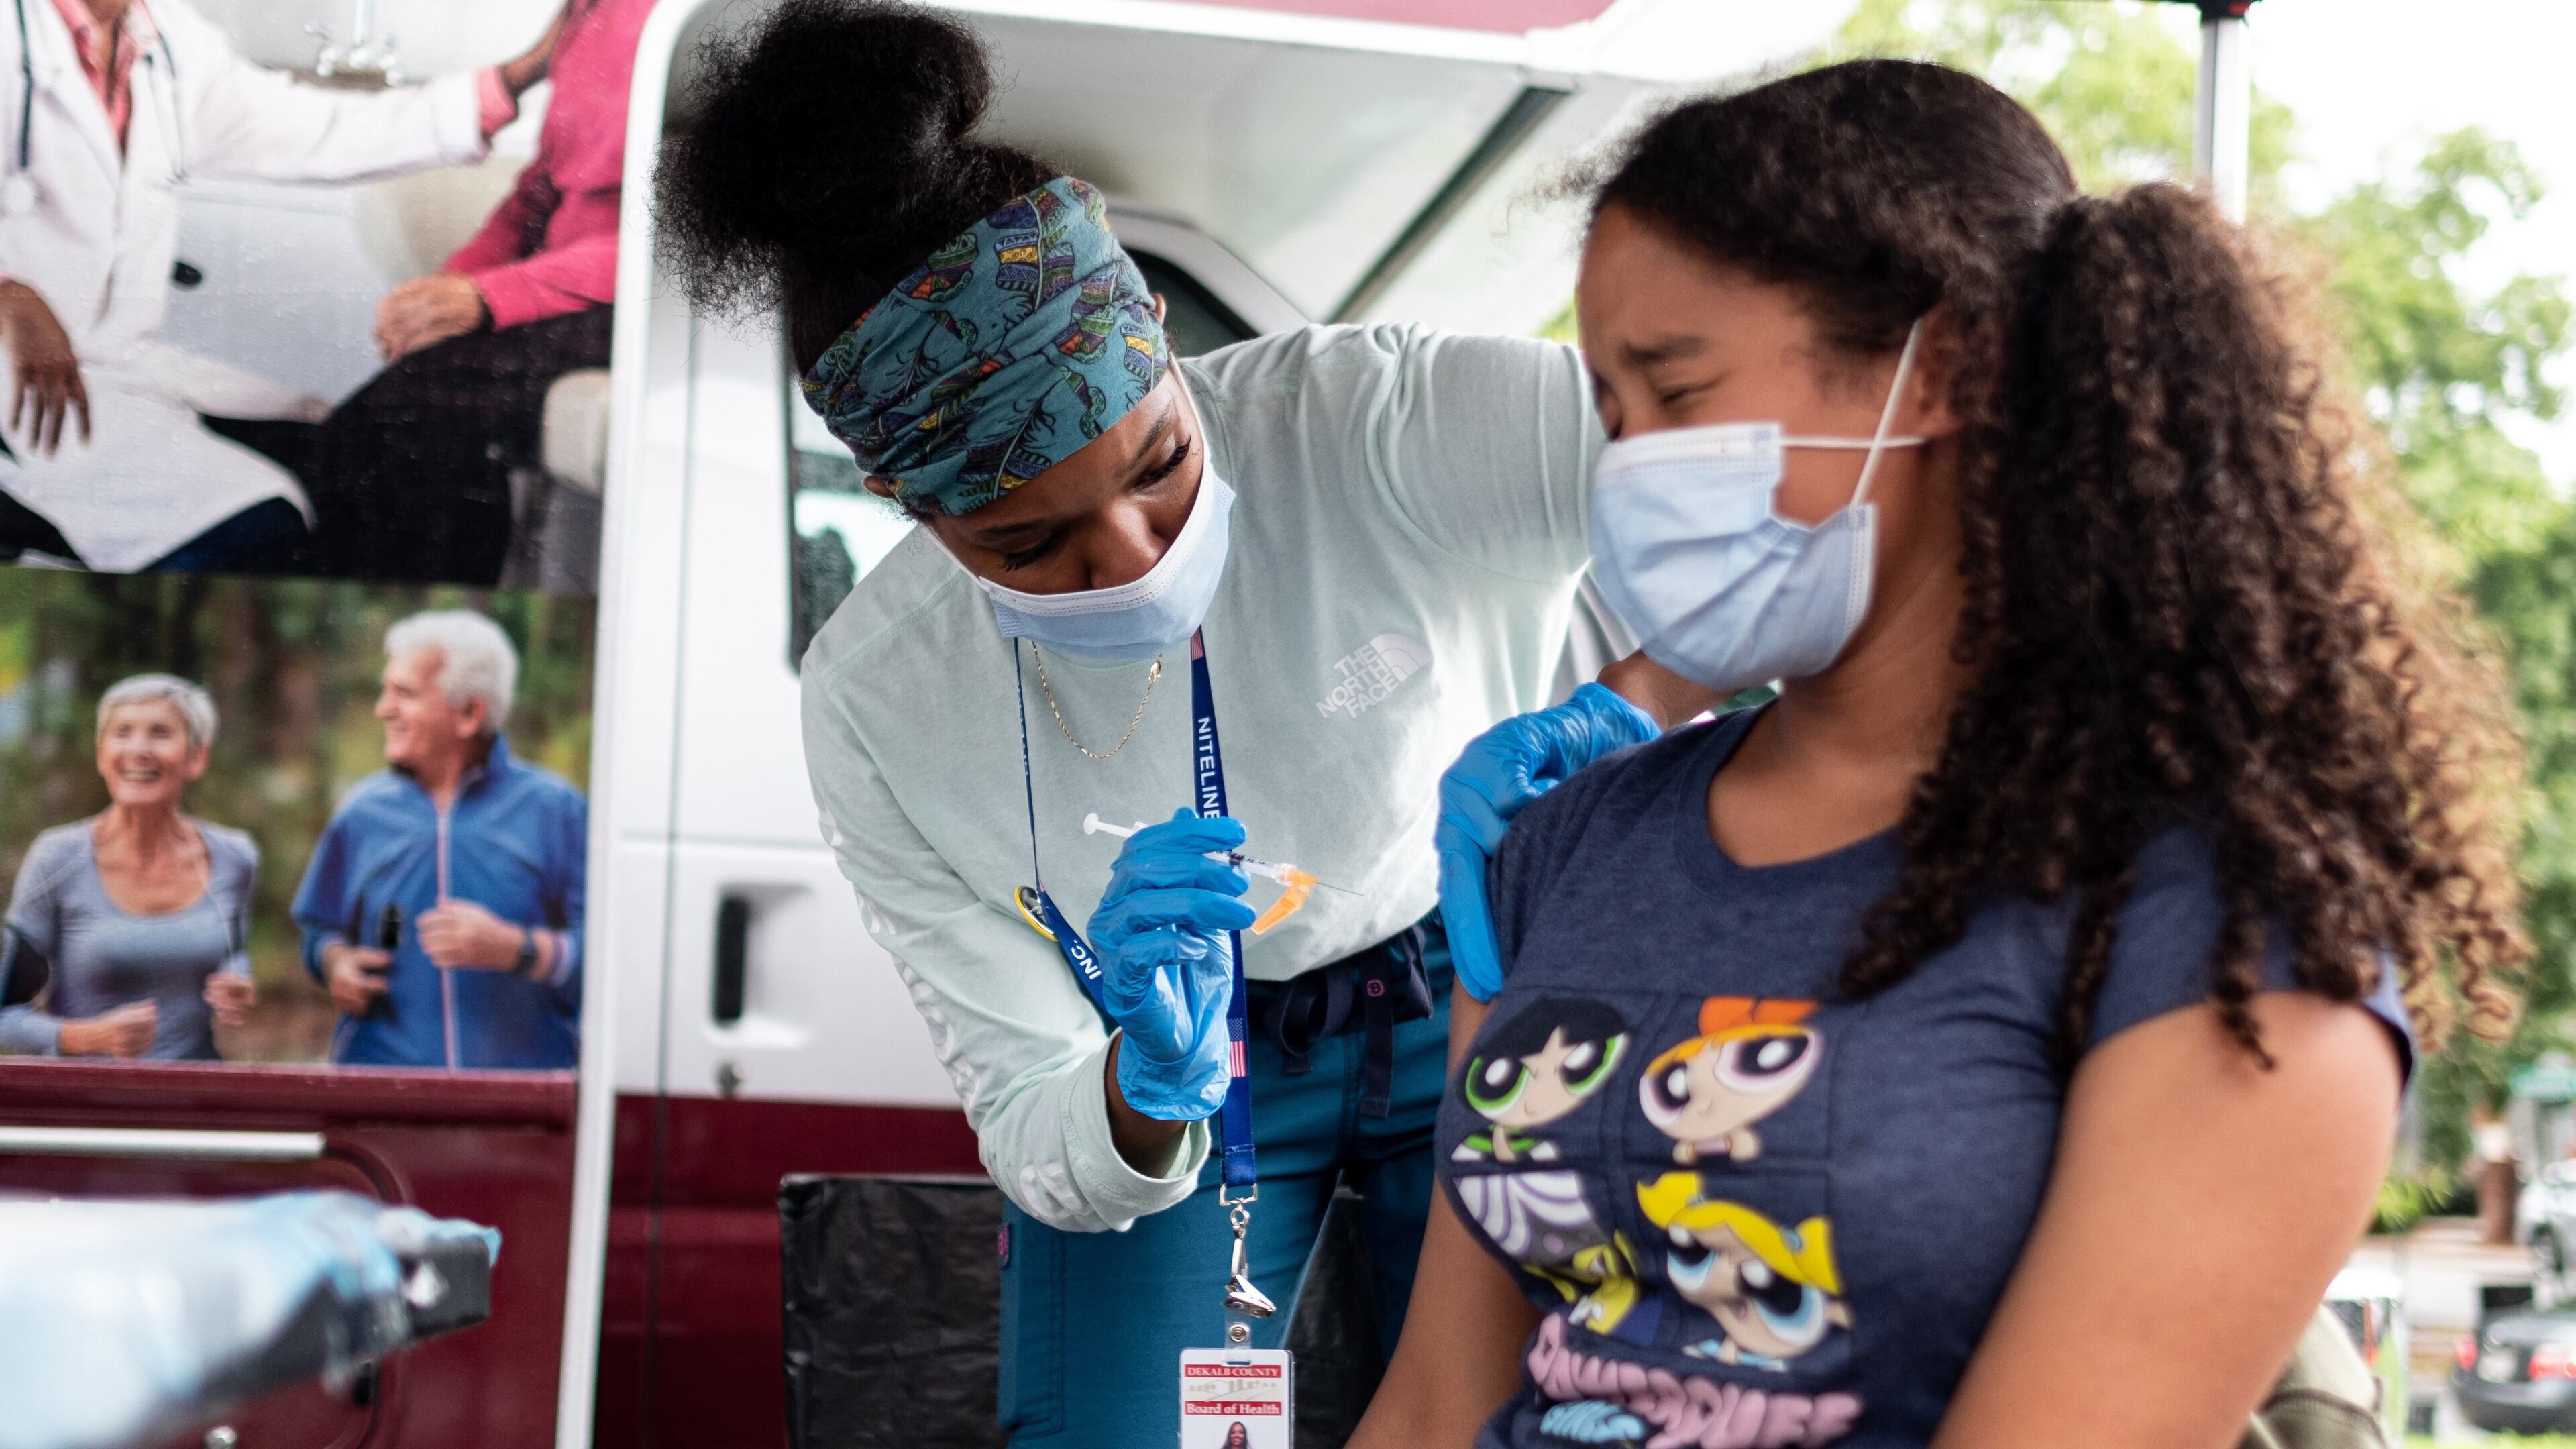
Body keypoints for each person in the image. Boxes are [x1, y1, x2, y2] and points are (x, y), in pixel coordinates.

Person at [1359, 62, 2523, 1448]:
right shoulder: (1567, 847)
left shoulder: (2220, 920)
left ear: (1955, 365)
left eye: (1678, 391)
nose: (1631, 471)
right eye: (1612, 415)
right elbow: (1436, 1403)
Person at [653, 4, 1713, 1444]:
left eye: (1158, 461)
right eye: (1034, 547)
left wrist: (1630, 711)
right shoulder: (880, 702)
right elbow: (1037, 1115)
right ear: (913, 514)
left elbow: (1758, 495)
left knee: (1546, 1411)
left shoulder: (1372, 419)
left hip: (1475, 970)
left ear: (1158, 338)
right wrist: (1141, 1090)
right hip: (1187, 1058)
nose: (1136, 550)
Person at [0, 0, 562, 574]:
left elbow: (318, 130)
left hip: (116, 369)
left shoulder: (165, 40)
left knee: (373, 464)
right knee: (254, 528)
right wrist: (9, 296)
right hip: (14, 383)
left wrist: (517, 77)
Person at [306, 0, 655, 585]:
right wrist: (452, 284)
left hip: (642, 302)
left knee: (408, 419)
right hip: (573, 284)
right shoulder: (589, 15)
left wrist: (488, 297)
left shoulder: (690, 20)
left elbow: (670, 234)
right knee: (361, 431)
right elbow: (540, 190)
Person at [291, 610, 585, 1070]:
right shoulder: (362, 811)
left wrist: (519, 949)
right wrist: (336, 963)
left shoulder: (557, 810)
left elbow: (612, 959)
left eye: (403, 693)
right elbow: (319, 930)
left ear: (469, 713)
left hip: (523, 1098)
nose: (382, 708)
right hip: (383, 1088)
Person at [0, 673, 256, 1059]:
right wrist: (88, 1038)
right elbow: (5, 1018)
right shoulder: (58, 859)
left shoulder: (234, 856)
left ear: (196, 756)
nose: (139, 749)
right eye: (122, 733)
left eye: (160, 733)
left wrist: (240, 981)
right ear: (102, 754)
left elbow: (232, 949)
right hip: (88, 1107)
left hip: (196, 1103)